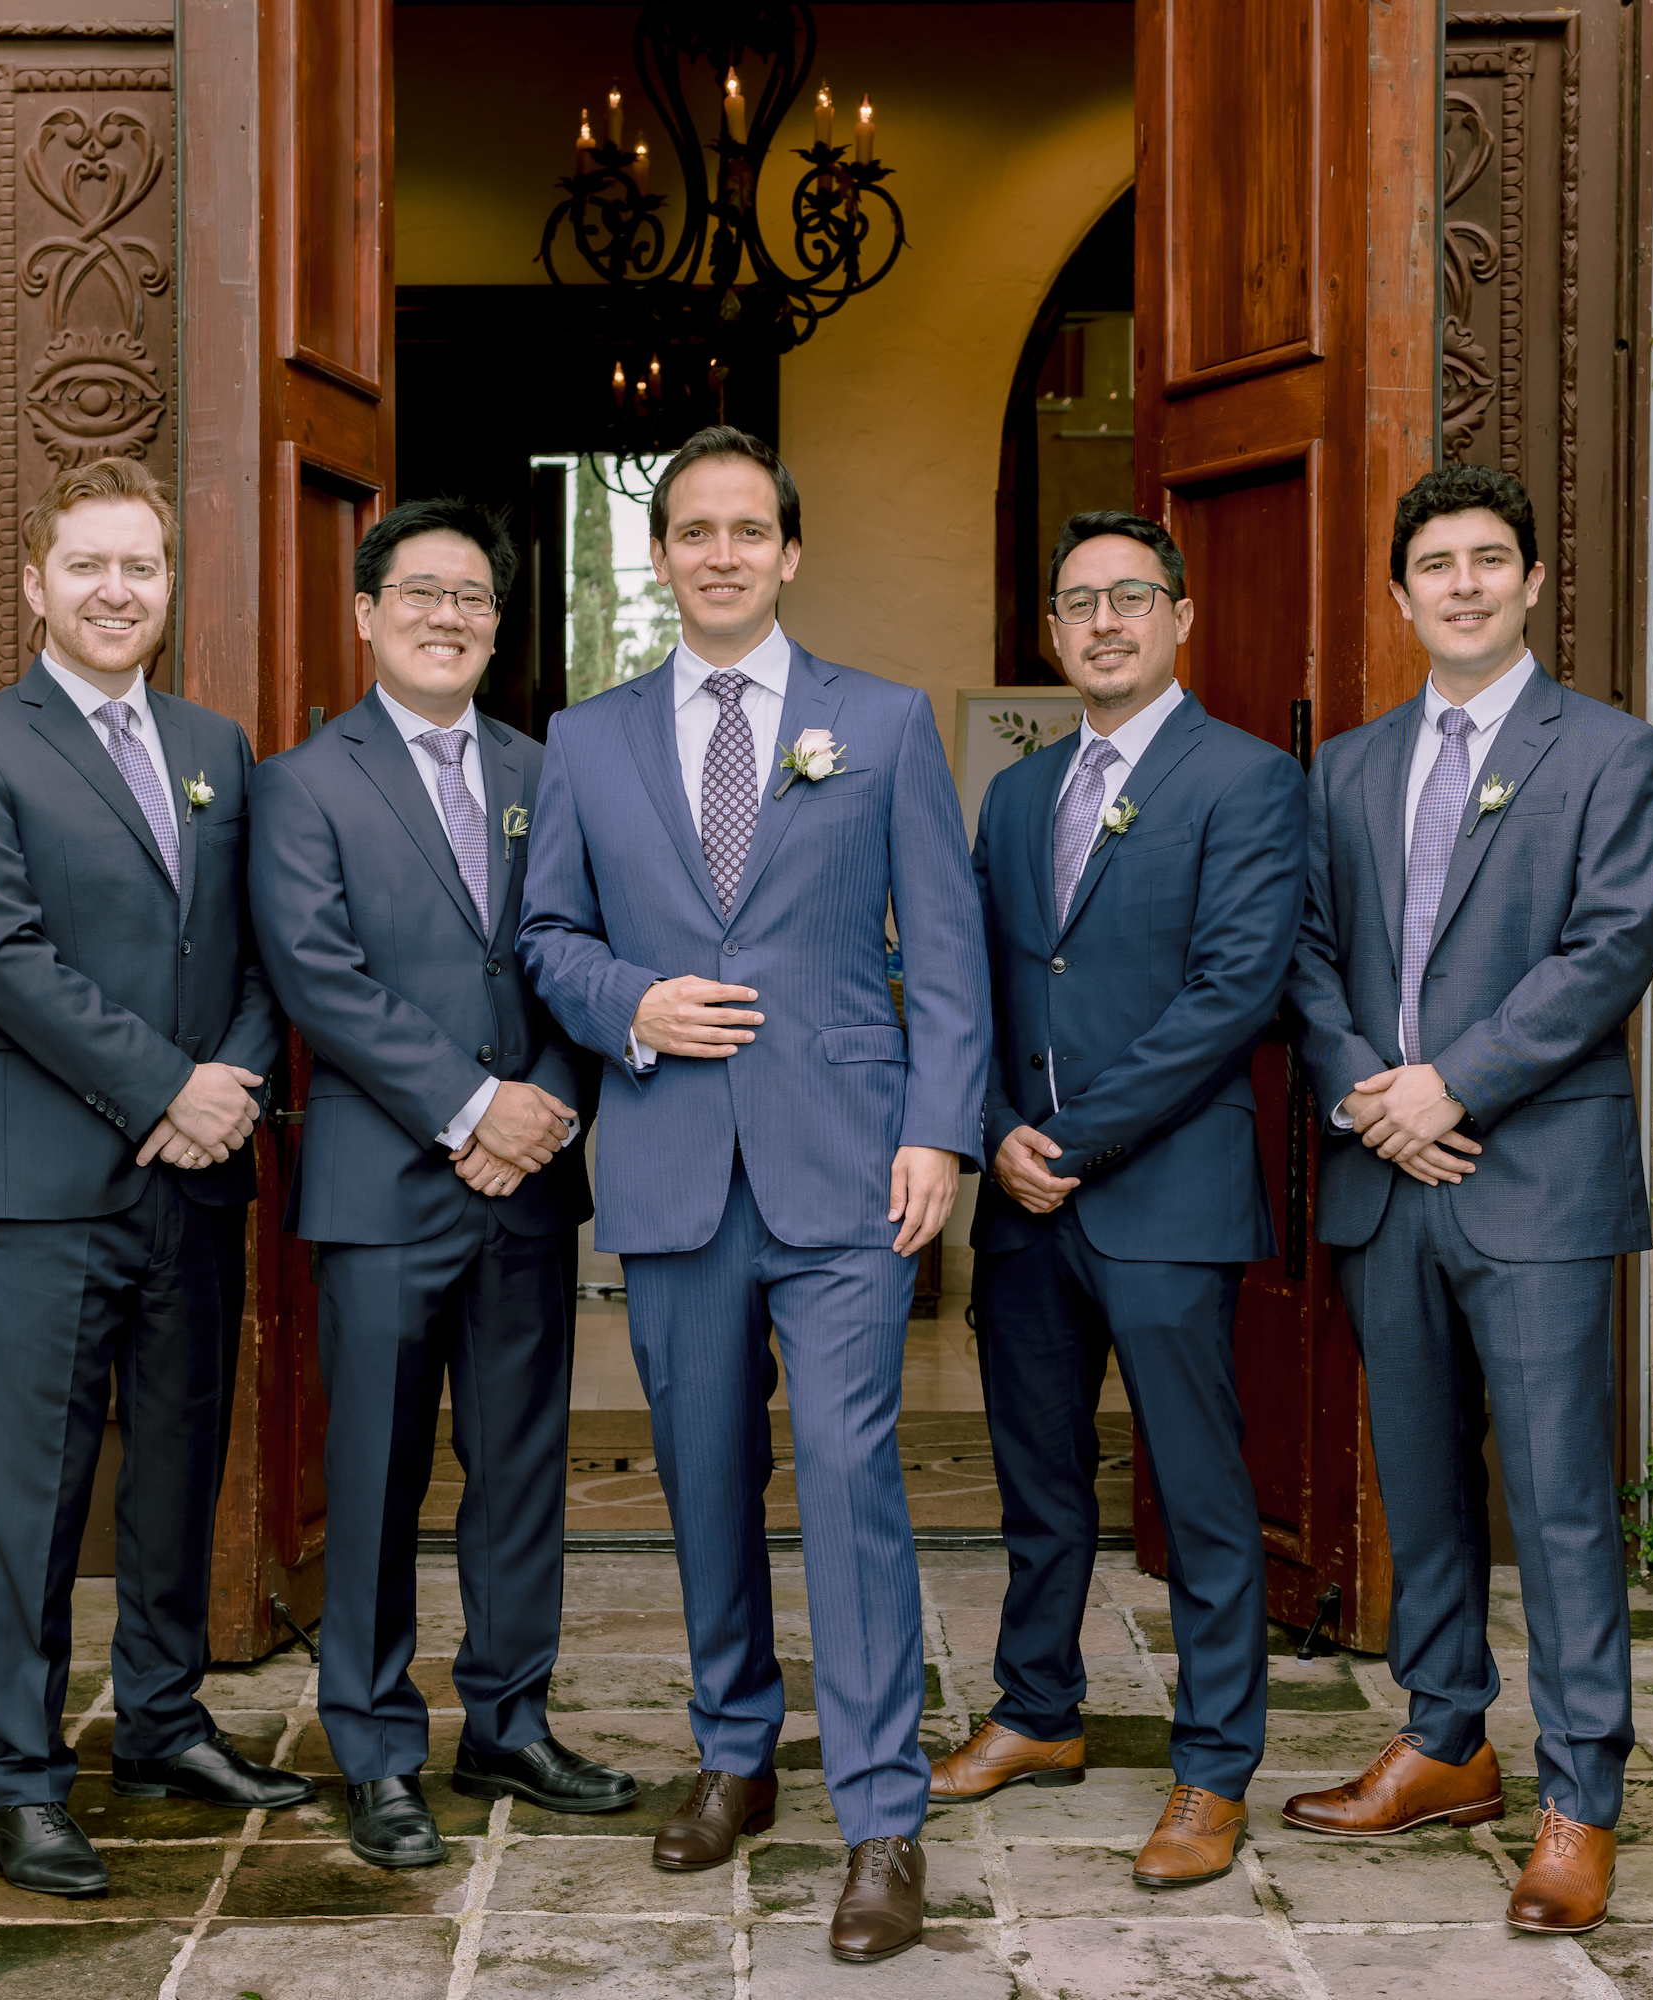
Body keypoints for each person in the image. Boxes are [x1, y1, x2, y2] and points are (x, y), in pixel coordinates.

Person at [518, 426, 989, 1964]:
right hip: (668, 1164)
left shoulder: (887, 723)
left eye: (748, 531)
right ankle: (735, 1752)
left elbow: (951, 946)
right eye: (693, 531)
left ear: (789, 555)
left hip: (848, 1161)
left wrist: (941, 1133)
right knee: (701, 1470)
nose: (720, 553)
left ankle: (879, 1815)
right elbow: (548, 938)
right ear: (662, 561)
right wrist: (631, 1005)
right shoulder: (586, 741)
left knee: (852, 1475)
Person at [0, 454, 317, 1900]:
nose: (114, 589)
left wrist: (229, 1096)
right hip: (52, 1185)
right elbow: (0, 956)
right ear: (36, 582)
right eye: (87, 564)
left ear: (167, 585)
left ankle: (160, 1723)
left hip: (197, 1182)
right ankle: (22, 1776)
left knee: (179, 1475)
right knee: (34, 1492)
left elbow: (268, 952)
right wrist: (164, 1090)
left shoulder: (219, 745)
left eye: (139, 566)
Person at [1279, 463, 1653, 1934]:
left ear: (1528, 584)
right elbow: (1306, 955)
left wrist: (1453, 1084)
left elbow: (1607, 950)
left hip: (1536, 1182)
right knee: (1423, 1487)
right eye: (1435, 564)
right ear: (1400, 595)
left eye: (1487, 560)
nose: (1460, 583)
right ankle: (1445, 1742)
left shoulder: (1613, 756)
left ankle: (1583, 1798)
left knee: (1562, 1505)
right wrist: (1370, 1097)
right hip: (1388, 1182)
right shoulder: (1346, 771)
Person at [245, 497, 635, 1870]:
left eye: (474, 595)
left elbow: (582, 951)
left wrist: (548, 1107)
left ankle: (511, 1723)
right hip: (382, 1187)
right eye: (420, 592)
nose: (448, 615)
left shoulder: (550, 769)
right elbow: (316, 974)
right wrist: (473, 1106)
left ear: (498, 621)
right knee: (377, 1476)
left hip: (526, 1187)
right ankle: (374, 1747)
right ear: (365, 614)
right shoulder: (303, 782)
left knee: (522, 1468)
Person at [937, 511, 1306, 1889]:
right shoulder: (1021, 794)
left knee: (1201, 1497)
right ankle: (1039, 1712)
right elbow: (969, 985)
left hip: (1162, 1195)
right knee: (1038, 1486)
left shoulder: (1249, 781)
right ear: (1050, 630)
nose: (1104, 623)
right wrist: (992, 1133)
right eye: (1079, 602)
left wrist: (1068, 1135)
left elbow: (1234, 995)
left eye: (1131, 599)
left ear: (1180, 617)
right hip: (1026, 1205)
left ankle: (1213, 1771)